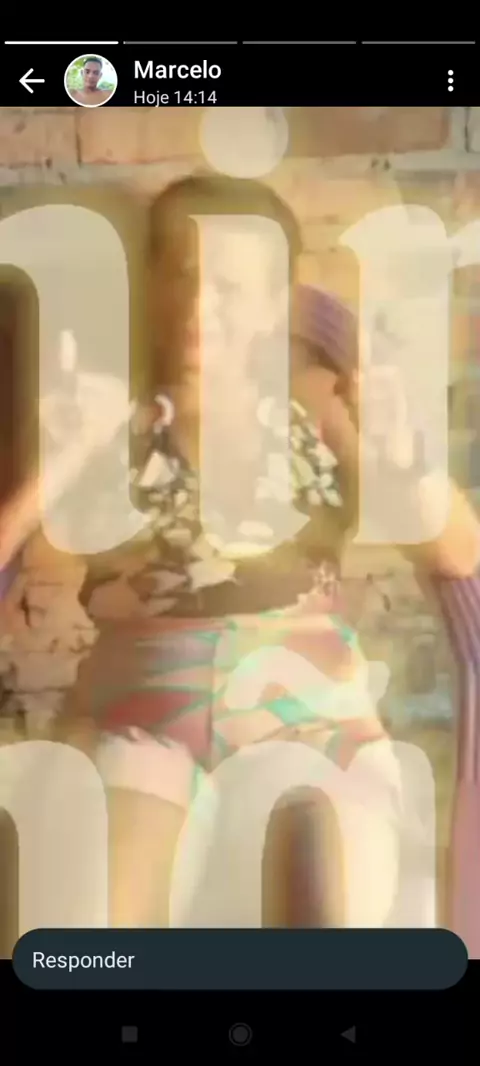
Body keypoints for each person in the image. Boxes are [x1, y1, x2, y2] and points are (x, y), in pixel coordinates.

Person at [2, 174, 479, 934]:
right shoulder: (99, 417)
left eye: (230, 287)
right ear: (152, 282)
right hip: (143, 720)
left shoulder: (317, 407)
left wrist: (402, 458)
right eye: (183, 275)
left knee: (331, 889)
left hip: (308, 716)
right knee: (81, 931)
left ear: (275, 303)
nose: (199, 306)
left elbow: (459, 552)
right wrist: (55, 465)